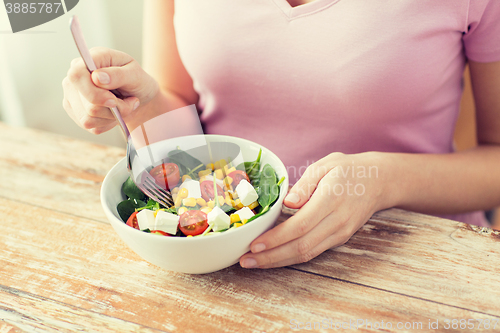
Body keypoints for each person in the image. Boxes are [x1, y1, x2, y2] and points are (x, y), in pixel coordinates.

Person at [62, 0, 500, 269]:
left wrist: (382, 181)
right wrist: (137, 102)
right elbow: (179, 102)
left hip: (413, 260)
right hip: (223, 260)